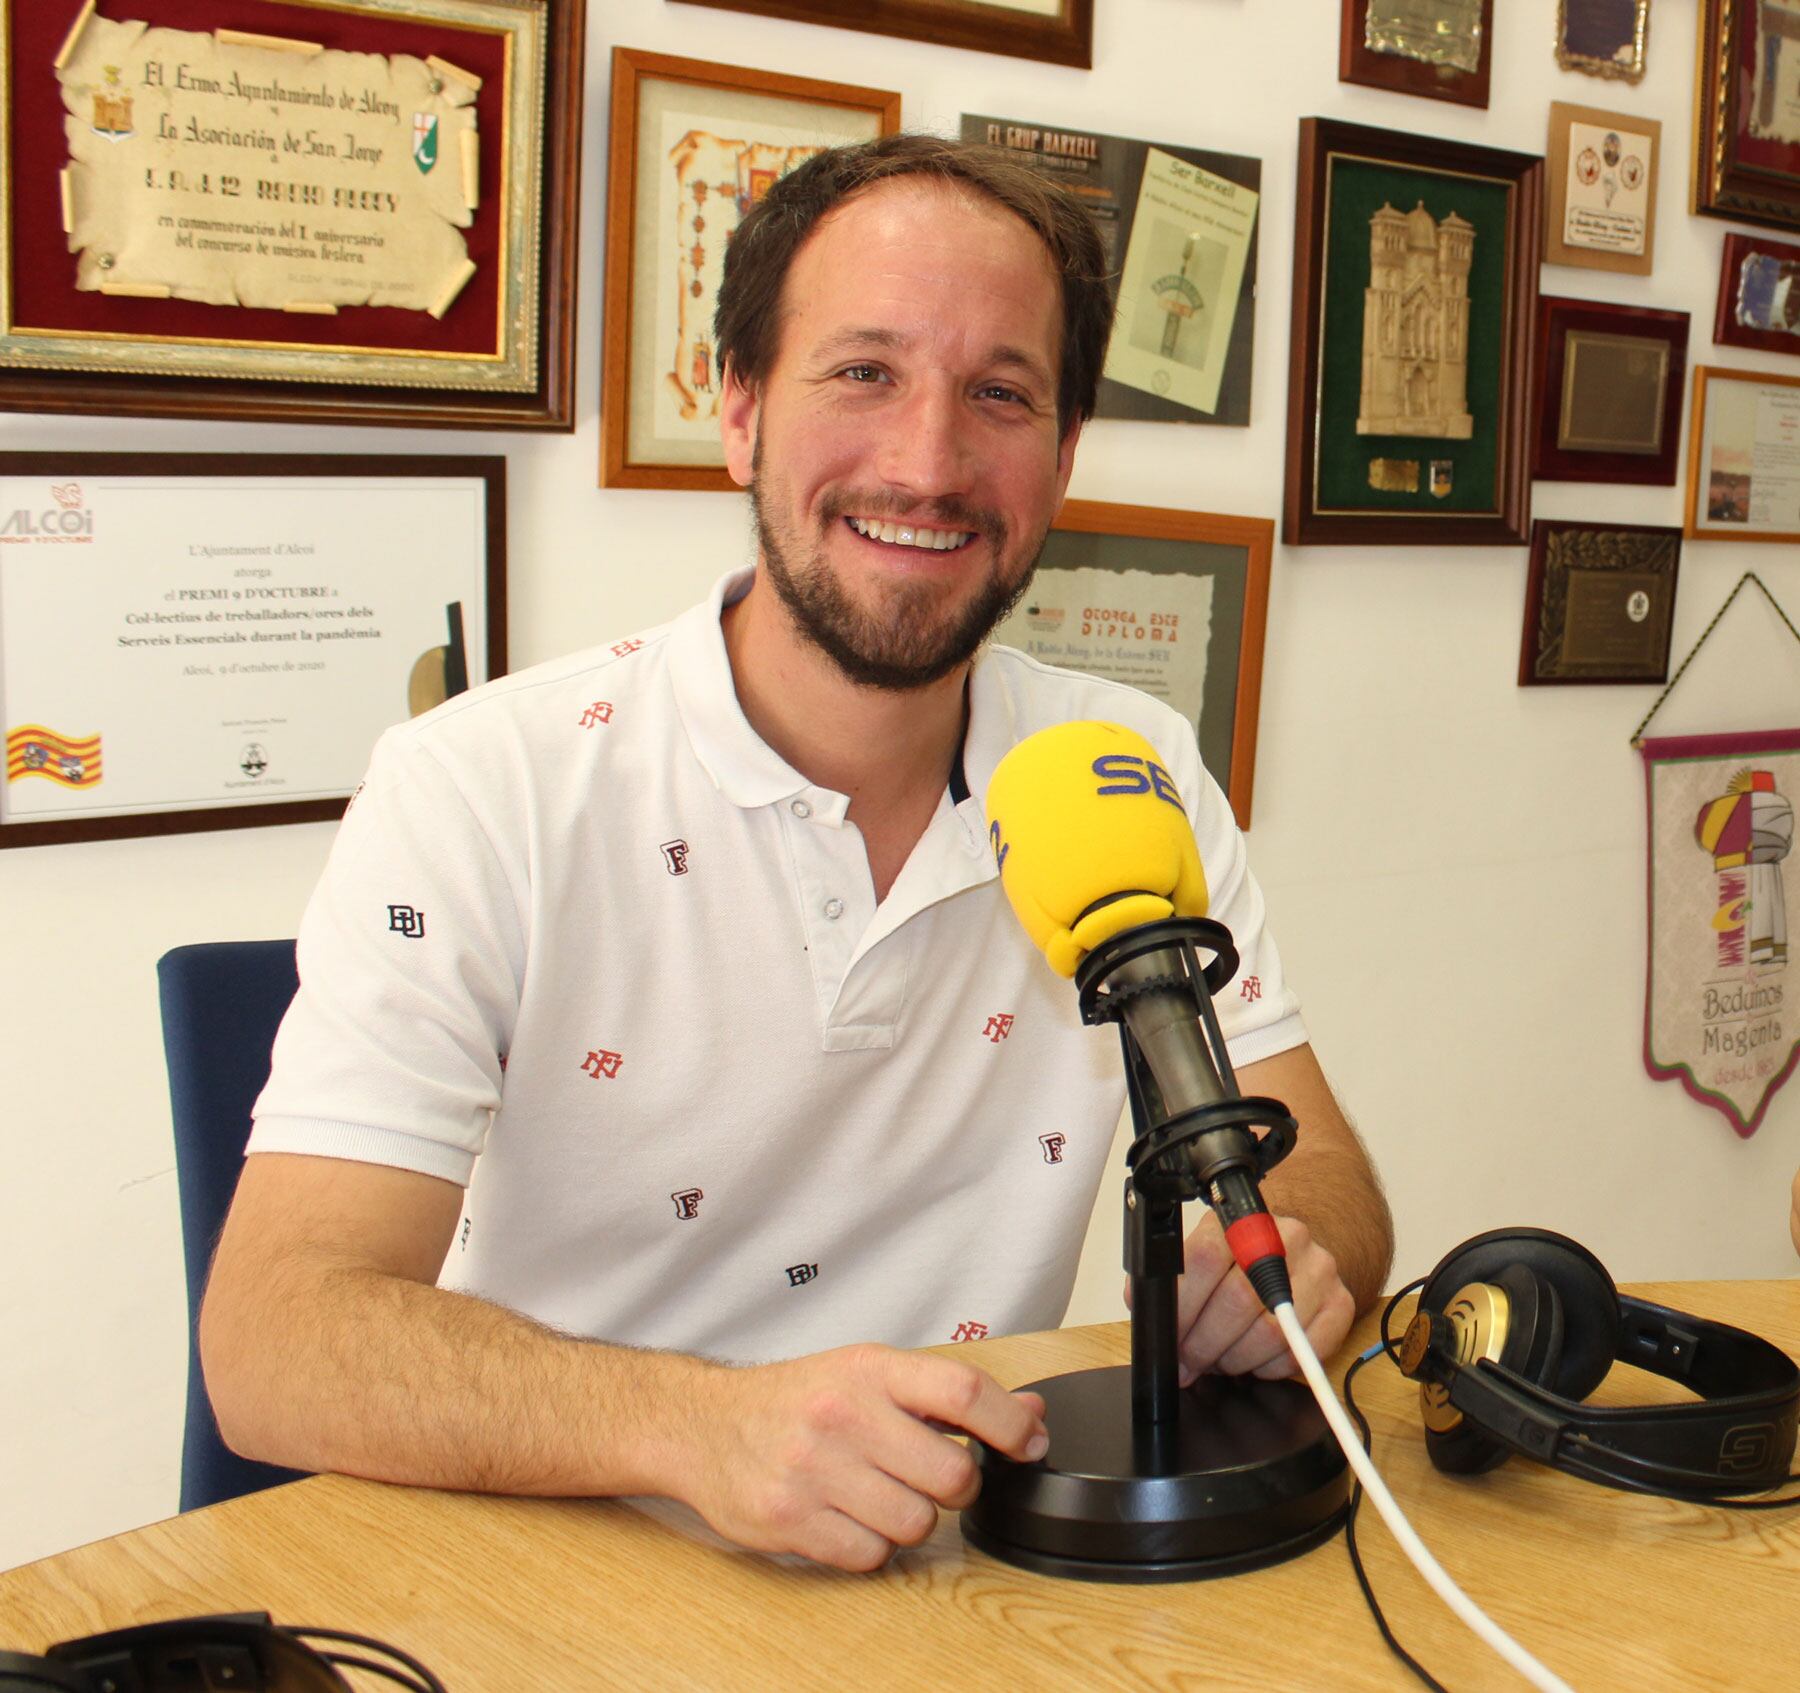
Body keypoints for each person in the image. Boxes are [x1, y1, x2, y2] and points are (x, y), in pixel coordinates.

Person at [200, 135, 1394, 1574]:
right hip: (543, 1574)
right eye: (863, 372)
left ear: (1064, 457)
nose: (929, 460)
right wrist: (697, 1427)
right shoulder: (484, 782)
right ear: (740, 410)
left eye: (1000, 393)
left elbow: (1319, 1167)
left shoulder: (1126, 772)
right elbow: (275, 1335)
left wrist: (1297, 1265)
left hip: (950, 1583)